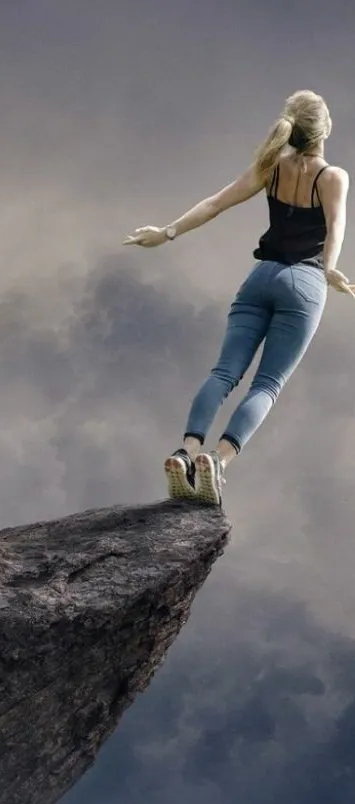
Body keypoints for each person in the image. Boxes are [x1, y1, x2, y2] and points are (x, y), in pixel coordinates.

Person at [123, 90, 354, 506]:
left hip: (259, 278)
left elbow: (215, 203)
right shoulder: (333, 177)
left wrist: (166, 233)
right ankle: (219, 462)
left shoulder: (272, 166)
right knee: (266, 384)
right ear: (325, 129)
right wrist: (330, 267)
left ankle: (188, 451)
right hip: (304, 283)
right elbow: (335, 227)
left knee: (224, 373)